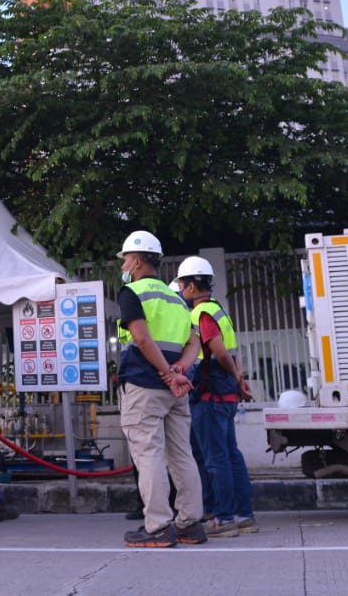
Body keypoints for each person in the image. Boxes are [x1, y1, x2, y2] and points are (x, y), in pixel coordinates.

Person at [115, 230, 206, 548]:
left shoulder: (131, 292)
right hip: (176, 390)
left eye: (125, 258)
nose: (123, 264)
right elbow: (195, 342)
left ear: (136, 260)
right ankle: (190, 523)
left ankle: (156, 527)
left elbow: (141, 338)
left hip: (143, 385)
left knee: (148, 455)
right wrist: (179, 369)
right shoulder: (177, 299)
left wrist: (167, 372)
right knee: (182, 455)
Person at [176, 255, 258, 537]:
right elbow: (235, 352)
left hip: (210, 396)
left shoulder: (201, 314)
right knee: (231, 455)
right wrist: (239, 379)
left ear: (189, 287)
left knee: (215, 459)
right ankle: (243, 515)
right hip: (226, 396)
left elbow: (220, 350)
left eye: (181, 286)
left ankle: (222, 519)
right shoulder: (219, 310)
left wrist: (236, 378)